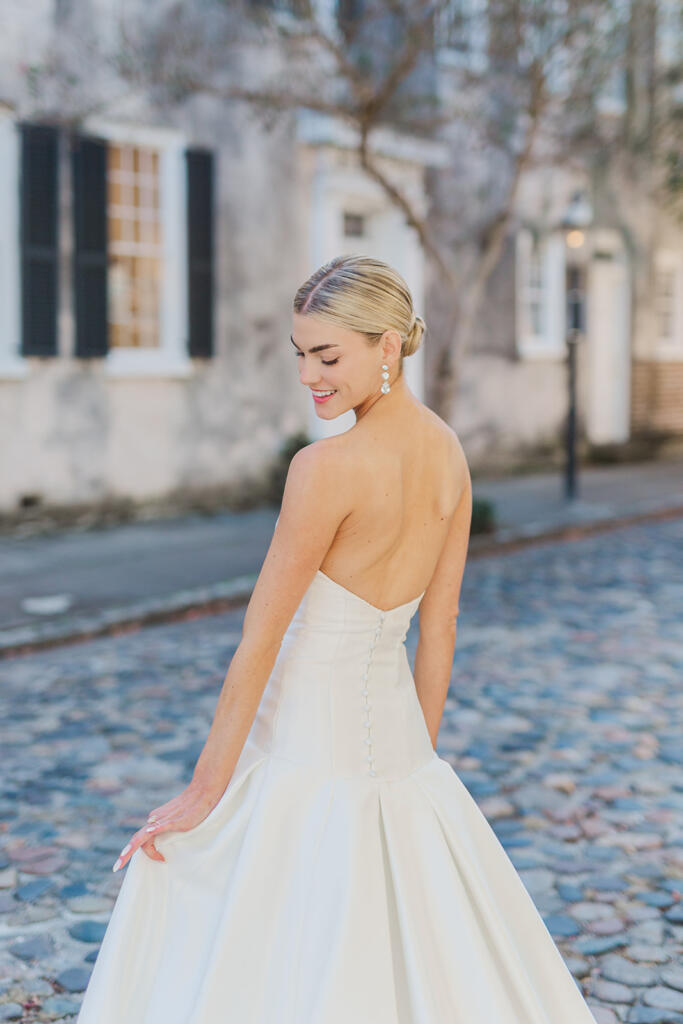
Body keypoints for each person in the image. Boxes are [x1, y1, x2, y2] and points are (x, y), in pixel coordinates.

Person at [76, 255, 597, 1022]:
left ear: (387, 346)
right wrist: (412, 760)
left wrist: (204, 790)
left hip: (305, 737)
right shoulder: (447, 450)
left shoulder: (324, 468)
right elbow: (439, 625)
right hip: (396, 739)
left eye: (327, 356)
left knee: (273, 930)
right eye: (300, 356)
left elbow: (261, 635)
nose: (309, 376)